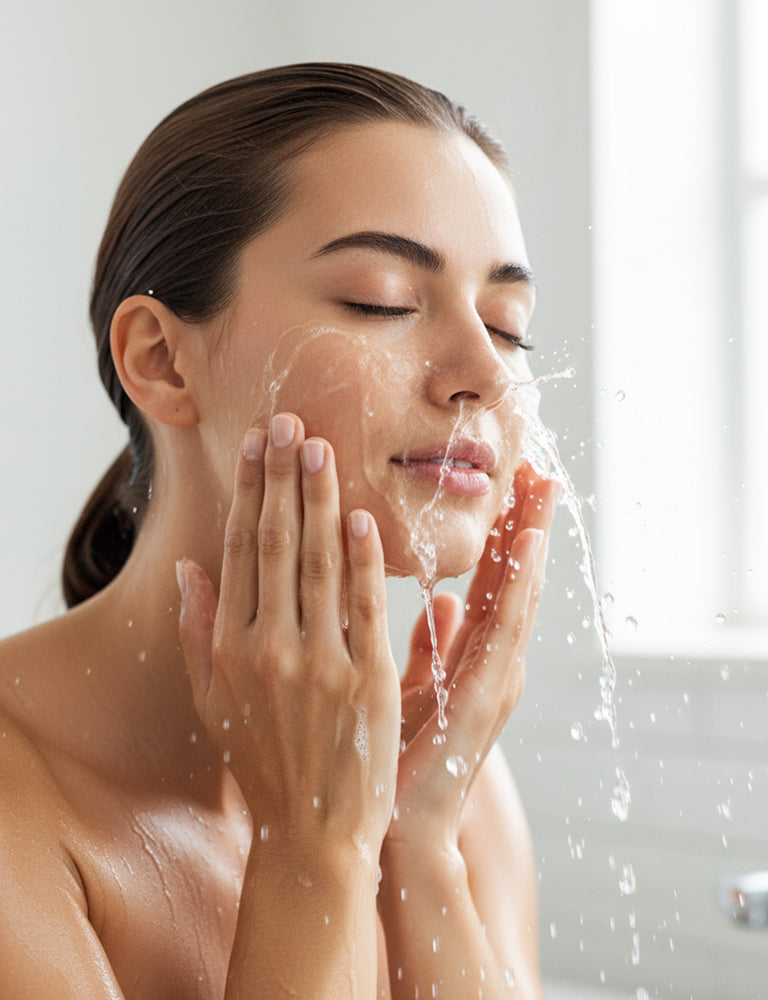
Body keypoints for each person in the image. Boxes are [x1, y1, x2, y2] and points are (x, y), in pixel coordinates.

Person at [0, 63, 560, 999]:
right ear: (161, 361)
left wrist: (413, 849)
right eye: (381, 300)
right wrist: (314, 850)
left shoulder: (449, 783)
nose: (485, 375)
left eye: (508, 325)